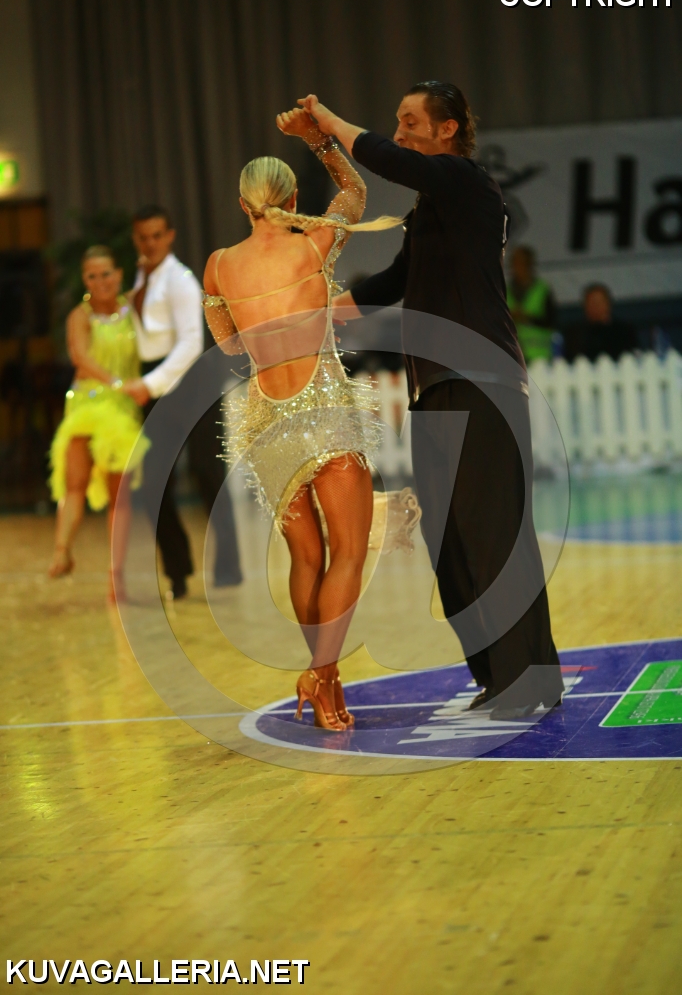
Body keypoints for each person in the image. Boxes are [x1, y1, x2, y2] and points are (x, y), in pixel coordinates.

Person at [303, 82, 563, 718]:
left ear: (448, 130)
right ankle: (498, 674)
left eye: (410, 121)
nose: (398, 132)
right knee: (448, 538)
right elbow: (397, 278)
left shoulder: (465, 182)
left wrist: (329, 122)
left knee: (491, 532)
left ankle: (527, 677)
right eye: (396, 121)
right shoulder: (433, 206)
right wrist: (322, 313)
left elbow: (390, 160)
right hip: (436, 385)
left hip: (482, 380)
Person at [203, 108, 405, 731]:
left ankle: (326, 681)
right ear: (291, 200)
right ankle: (320, 674)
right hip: (325, 412)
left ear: (243, 205)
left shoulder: (218, 265)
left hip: (266, 422)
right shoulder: (315, 243)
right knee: (348, 553)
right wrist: (317, 140)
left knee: (307, 559)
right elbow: (355, 192)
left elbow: (228, 343)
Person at [123, 205, 242, 598]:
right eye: (143, 237)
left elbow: (192, 344)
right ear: (136, 238)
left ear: (170, 235)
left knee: (208, 474)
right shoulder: (141, 277)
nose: (150, 243)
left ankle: (229, 566)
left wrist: (150, 384)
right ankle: (177, 572)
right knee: (153, 485)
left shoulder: (181, 280)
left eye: (157, 235)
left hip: (194, 382)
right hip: (157, 386)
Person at [48, 246, 150, 602]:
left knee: (119, 498)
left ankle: (116, 577)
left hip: (122, 411)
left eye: (106, 273)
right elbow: (81, 357)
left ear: (118, 274)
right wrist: (119, 383)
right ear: (85, 280)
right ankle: (62, 550)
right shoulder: (80, 315)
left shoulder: (133, 309)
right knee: (74, 482)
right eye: (92, 276)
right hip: (89, 404)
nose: (100, 281)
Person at [563, 283, 638, 364]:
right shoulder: (574, 334)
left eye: (598, 302)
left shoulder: (624, 331)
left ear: (608, 304)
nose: (595, 307)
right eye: (591, 303)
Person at [506, 245, 556, 363]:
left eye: (521, 263)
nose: (517, 267)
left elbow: (552, 321)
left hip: (539, 357)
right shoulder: (504, 290)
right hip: (512, 356)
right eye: (515, 263)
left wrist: (526, 318)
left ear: (530, 264)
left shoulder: (543, 289)